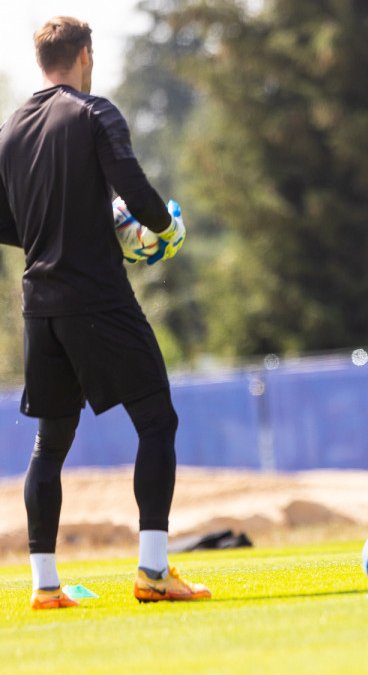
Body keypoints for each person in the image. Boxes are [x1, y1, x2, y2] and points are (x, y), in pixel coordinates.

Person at [0, 16, 207, 609]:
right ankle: (154, 572)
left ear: (43, 61)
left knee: (50, 443)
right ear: (85, 55)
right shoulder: (94, 112)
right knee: (157, 421)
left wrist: (53, 233)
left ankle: (44, 586)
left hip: (40, 306)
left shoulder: (9, 130)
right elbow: (134, 188)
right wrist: (164, 231)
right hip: (97, 297)